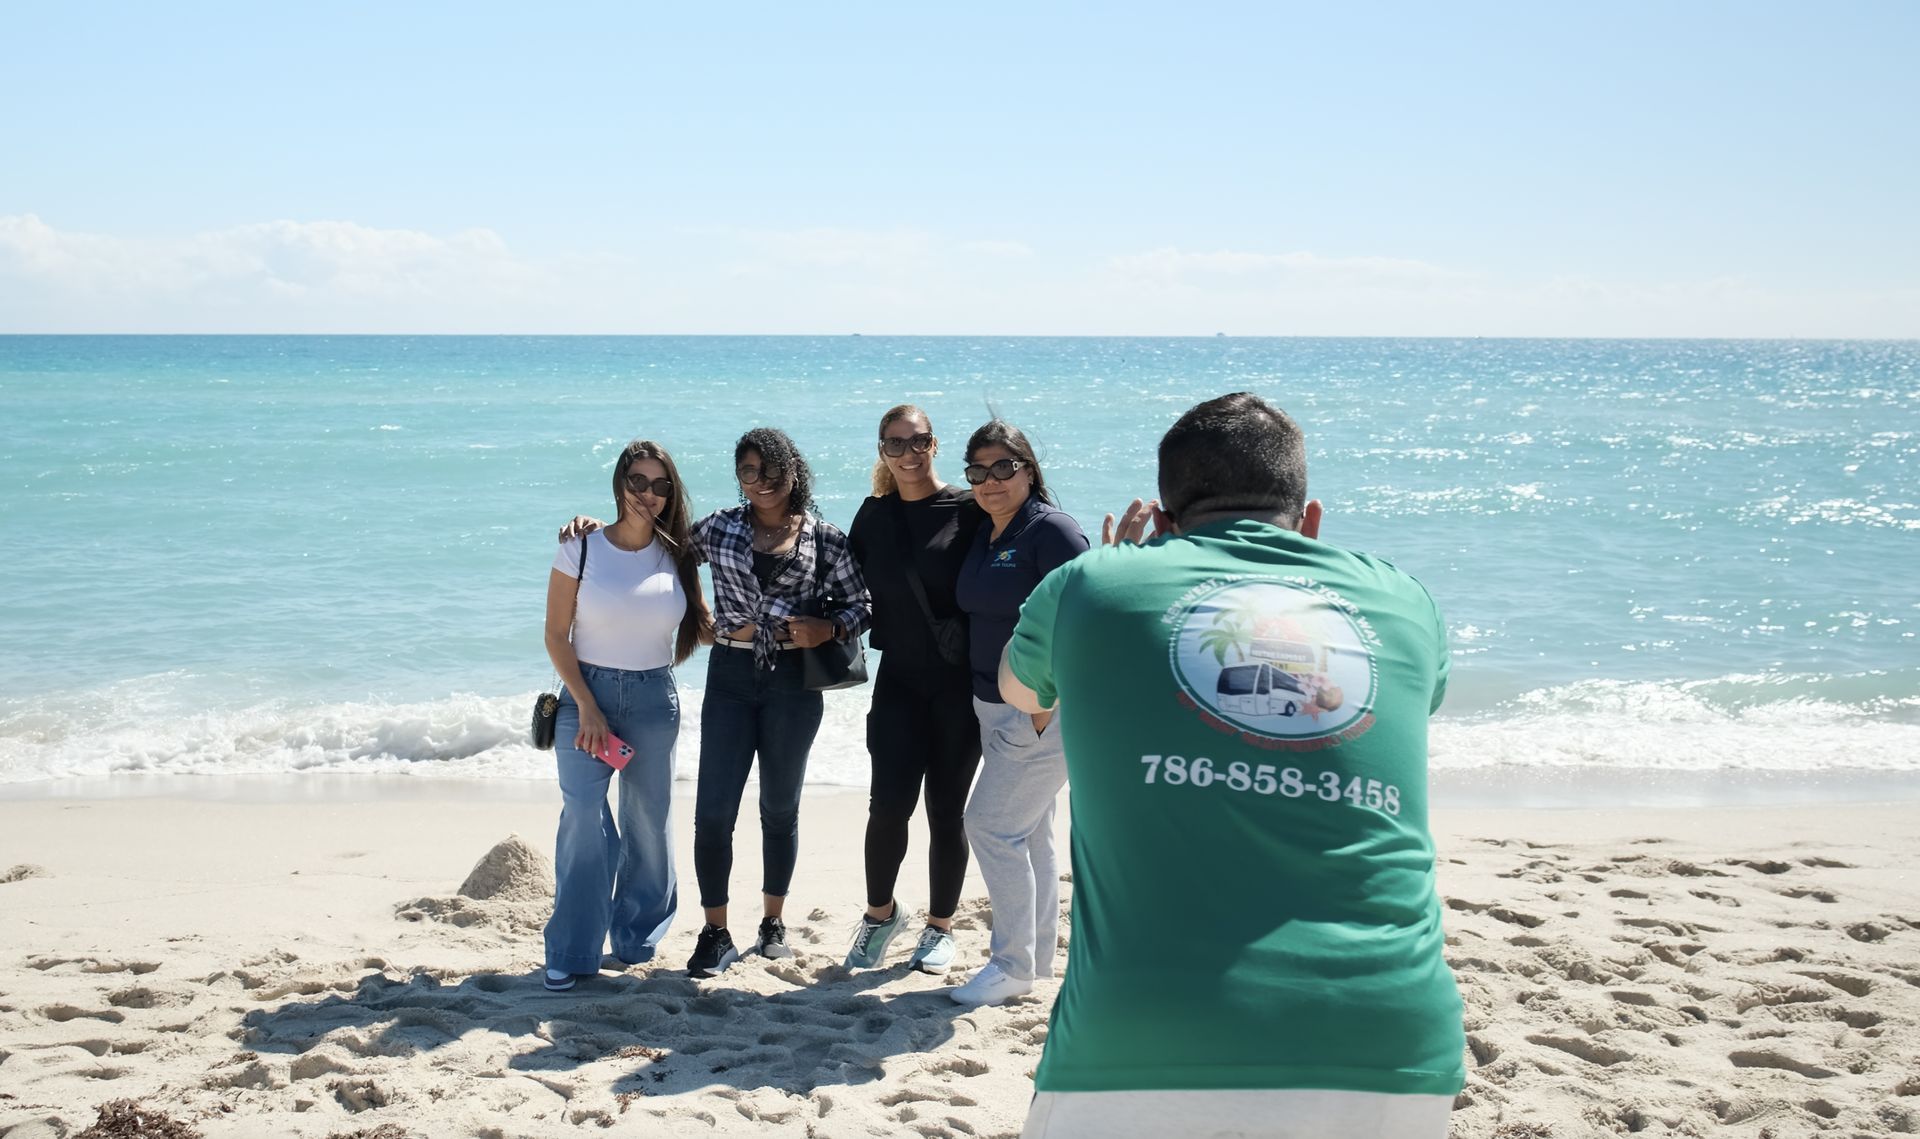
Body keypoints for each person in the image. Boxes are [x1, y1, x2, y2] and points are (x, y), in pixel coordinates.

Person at [996, 394, 1464, 1138]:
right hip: (1390, 1037)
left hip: (1145, 1032)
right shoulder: (1404, 599)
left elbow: (1018, 688)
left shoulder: (1092, 583)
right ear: (1309, 518)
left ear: (1166, 518)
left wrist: (1115, 566)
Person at [684, 427, 873, 977]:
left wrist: (829, 626)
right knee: (713, 811)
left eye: (771, 471)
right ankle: (715, 932)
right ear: (738, 477)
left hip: (794, 680)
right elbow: (664, 554)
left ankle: (773, 925)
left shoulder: (825, 538)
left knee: (779, 807)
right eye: (749, 472)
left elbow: (863, 603)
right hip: (730, 673)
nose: (761, 483)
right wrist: (697, 612)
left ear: (794, 473)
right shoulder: (718, 527)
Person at [541, 440, 713, 992]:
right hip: (584, 695)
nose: (648, 494)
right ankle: (571, 949)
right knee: (584, 818)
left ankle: (636, 939)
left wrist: (770, 629)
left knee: (648, 821)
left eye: (661, 485)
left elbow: (705, 623)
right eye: (637, 481)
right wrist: (587, 706)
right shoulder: (581, 547)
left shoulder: (679, 552)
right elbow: (554, 634)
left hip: (653, 698)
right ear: (619, 483)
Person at [841, 406, 985, 974]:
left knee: (947, 812)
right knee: (888, 808)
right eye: (895, 444)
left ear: (935, 444)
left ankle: (940, 929)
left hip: (958, 687)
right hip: (897, 681)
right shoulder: (873, 515)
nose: (908, 453)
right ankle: (881, 917)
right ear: (882, 451)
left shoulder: (970, 509)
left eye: (918, 441)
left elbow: (1023, 551)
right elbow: (837, 581)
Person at [949, 420, 1089, 1006]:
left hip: (1035, 711)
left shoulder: (1050, 532)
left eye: (1003, 468)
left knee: (988, 825)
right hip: (994, 708)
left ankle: (1010, 964)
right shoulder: (988, 531)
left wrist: (1043, 707)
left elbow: (1088, 614)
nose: (990, 481)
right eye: (978, 472)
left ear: (1029, 469)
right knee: (1029, 833)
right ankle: (1036, 960)